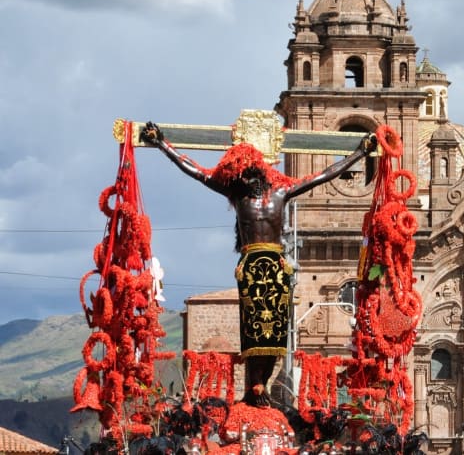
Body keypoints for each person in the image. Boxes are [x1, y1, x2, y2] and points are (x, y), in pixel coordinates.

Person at [140, 121, 377, 406]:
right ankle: (254, 387)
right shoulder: (237, 193)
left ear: (263, 171)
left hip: (276, 266)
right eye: (246, 173)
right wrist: (163, 144)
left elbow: (324, 175)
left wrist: (359, 155)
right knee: (254, 328)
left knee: (276, 330)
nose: (251, 178)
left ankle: (260, 386)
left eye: (255, 172)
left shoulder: (281, 191)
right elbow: (197, 172)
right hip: (252, 265)